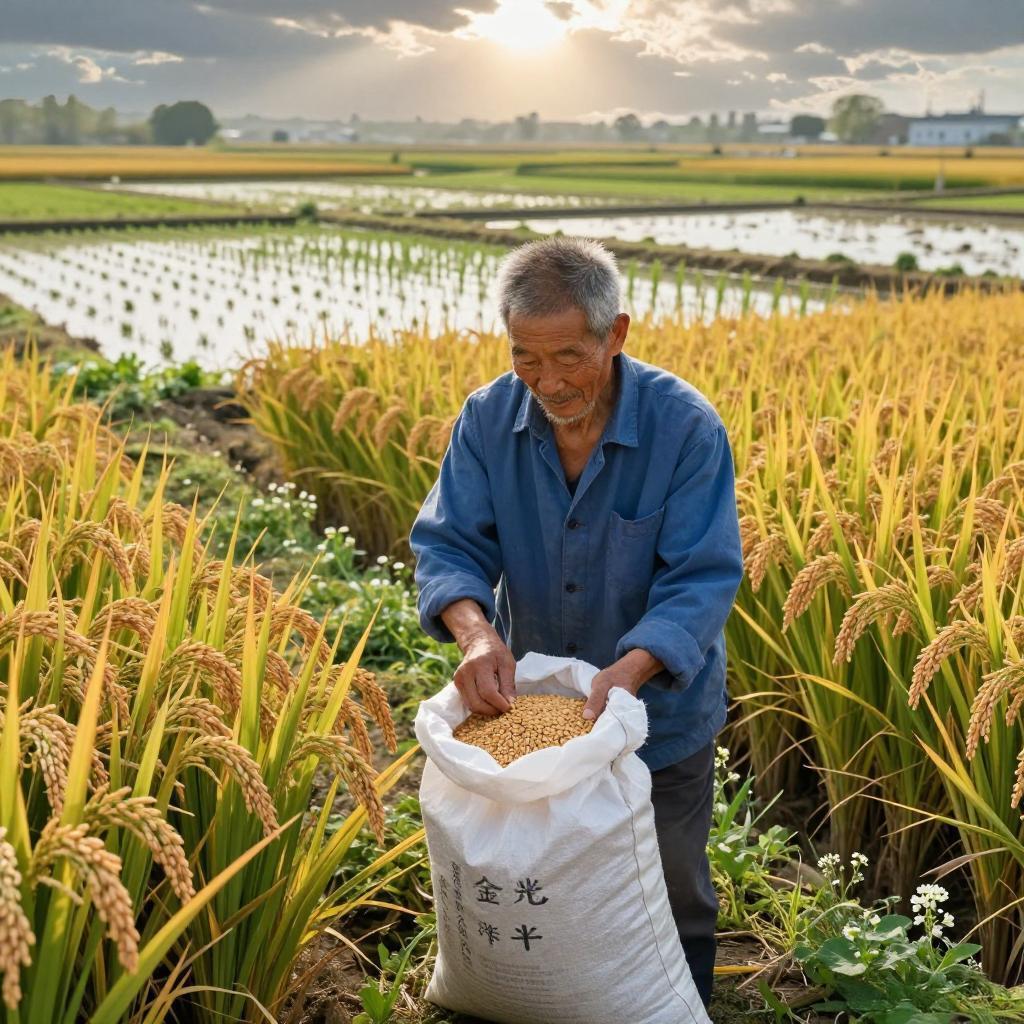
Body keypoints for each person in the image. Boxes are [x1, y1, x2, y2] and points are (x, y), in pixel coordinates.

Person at [408, 235, 745, 1010]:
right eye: (526, 356)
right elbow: (448, 543)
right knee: (540, 880)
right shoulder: (489, 420)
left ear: (614, 334)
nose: (547, 381)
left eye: (567, 356)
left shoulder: (685, 429)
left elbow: (700, 577)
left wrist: (630, 674)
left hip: (658, 718)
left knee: (672, 887)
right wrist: (480, 636)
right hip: (535, 716)